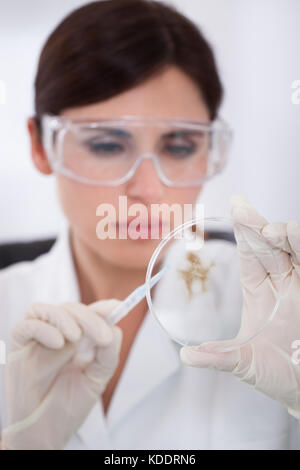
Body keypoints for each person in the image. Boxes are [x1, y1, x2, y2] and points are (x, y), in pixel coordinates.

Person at [0, 0, 300, 450]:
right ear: (41, 146)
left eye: (179, 147)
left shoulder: (275, 315)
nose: (148, 188)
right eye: (106, 145)